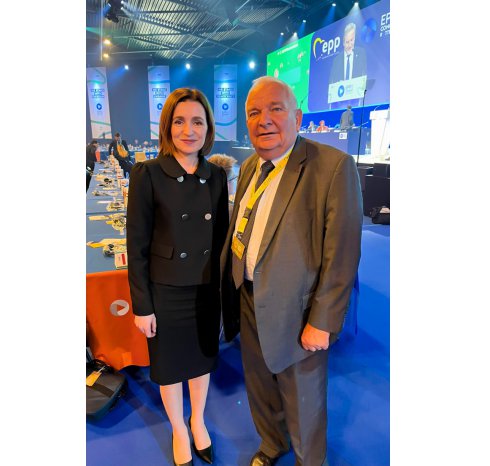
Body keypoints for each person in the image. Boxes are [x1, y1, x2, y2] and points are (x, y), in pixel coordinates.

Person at [220, 76, 362, 466]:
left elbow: (342, 253)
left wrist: (323, 320)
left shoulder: (332, 167)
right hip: (249, 299)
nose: (264, 120)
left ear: (297, 118)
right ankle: (271, 445)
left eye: (275, 109)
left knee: (303, 404)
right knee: (260, 388)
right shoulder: (251, 166)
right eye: (254, 112)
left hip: (299, 314)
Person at [127, 88, 229, 466]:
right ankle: (178, 429)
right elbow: (136, 244)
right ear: (167, 127)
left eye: (197, 122)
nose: (189, 130)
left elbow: (220, 241)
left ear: (208, 128)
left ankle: (197, 420)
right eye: (180, 121)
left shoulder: (216, 176)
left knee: (201, 361)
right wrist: (142, 305)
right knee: (170, 367)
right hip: (166, 290)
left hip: (205, 290)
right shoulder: (148, 174)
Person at [328, 23, 367, 109]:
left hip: (355, 100)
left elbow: (364, 75)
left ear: (355, 39)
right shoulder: (337, 60)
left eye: (351, 40)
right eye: (347, 42)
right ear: (343, 43)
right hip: (340, 101)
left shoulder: (361, 54)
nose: (349, 45)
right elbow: (331, 82)